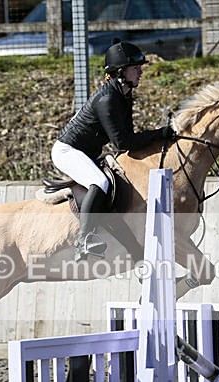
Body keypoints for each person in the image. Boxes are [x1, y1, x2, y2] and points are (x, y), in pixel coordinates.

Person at [51, 41, 175, 261]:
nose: (140, 72)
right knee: (100, 182)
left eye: (140, 67)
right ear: (120, 71)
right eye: (135, 68)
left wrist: (159, 135)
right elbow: (123, 142)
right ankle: (84, 239)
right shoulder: (108, 98)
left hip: (86, 152)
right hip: (67, 151)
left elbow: (130, 136)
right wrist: (159, 133)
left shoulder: (123, 95)